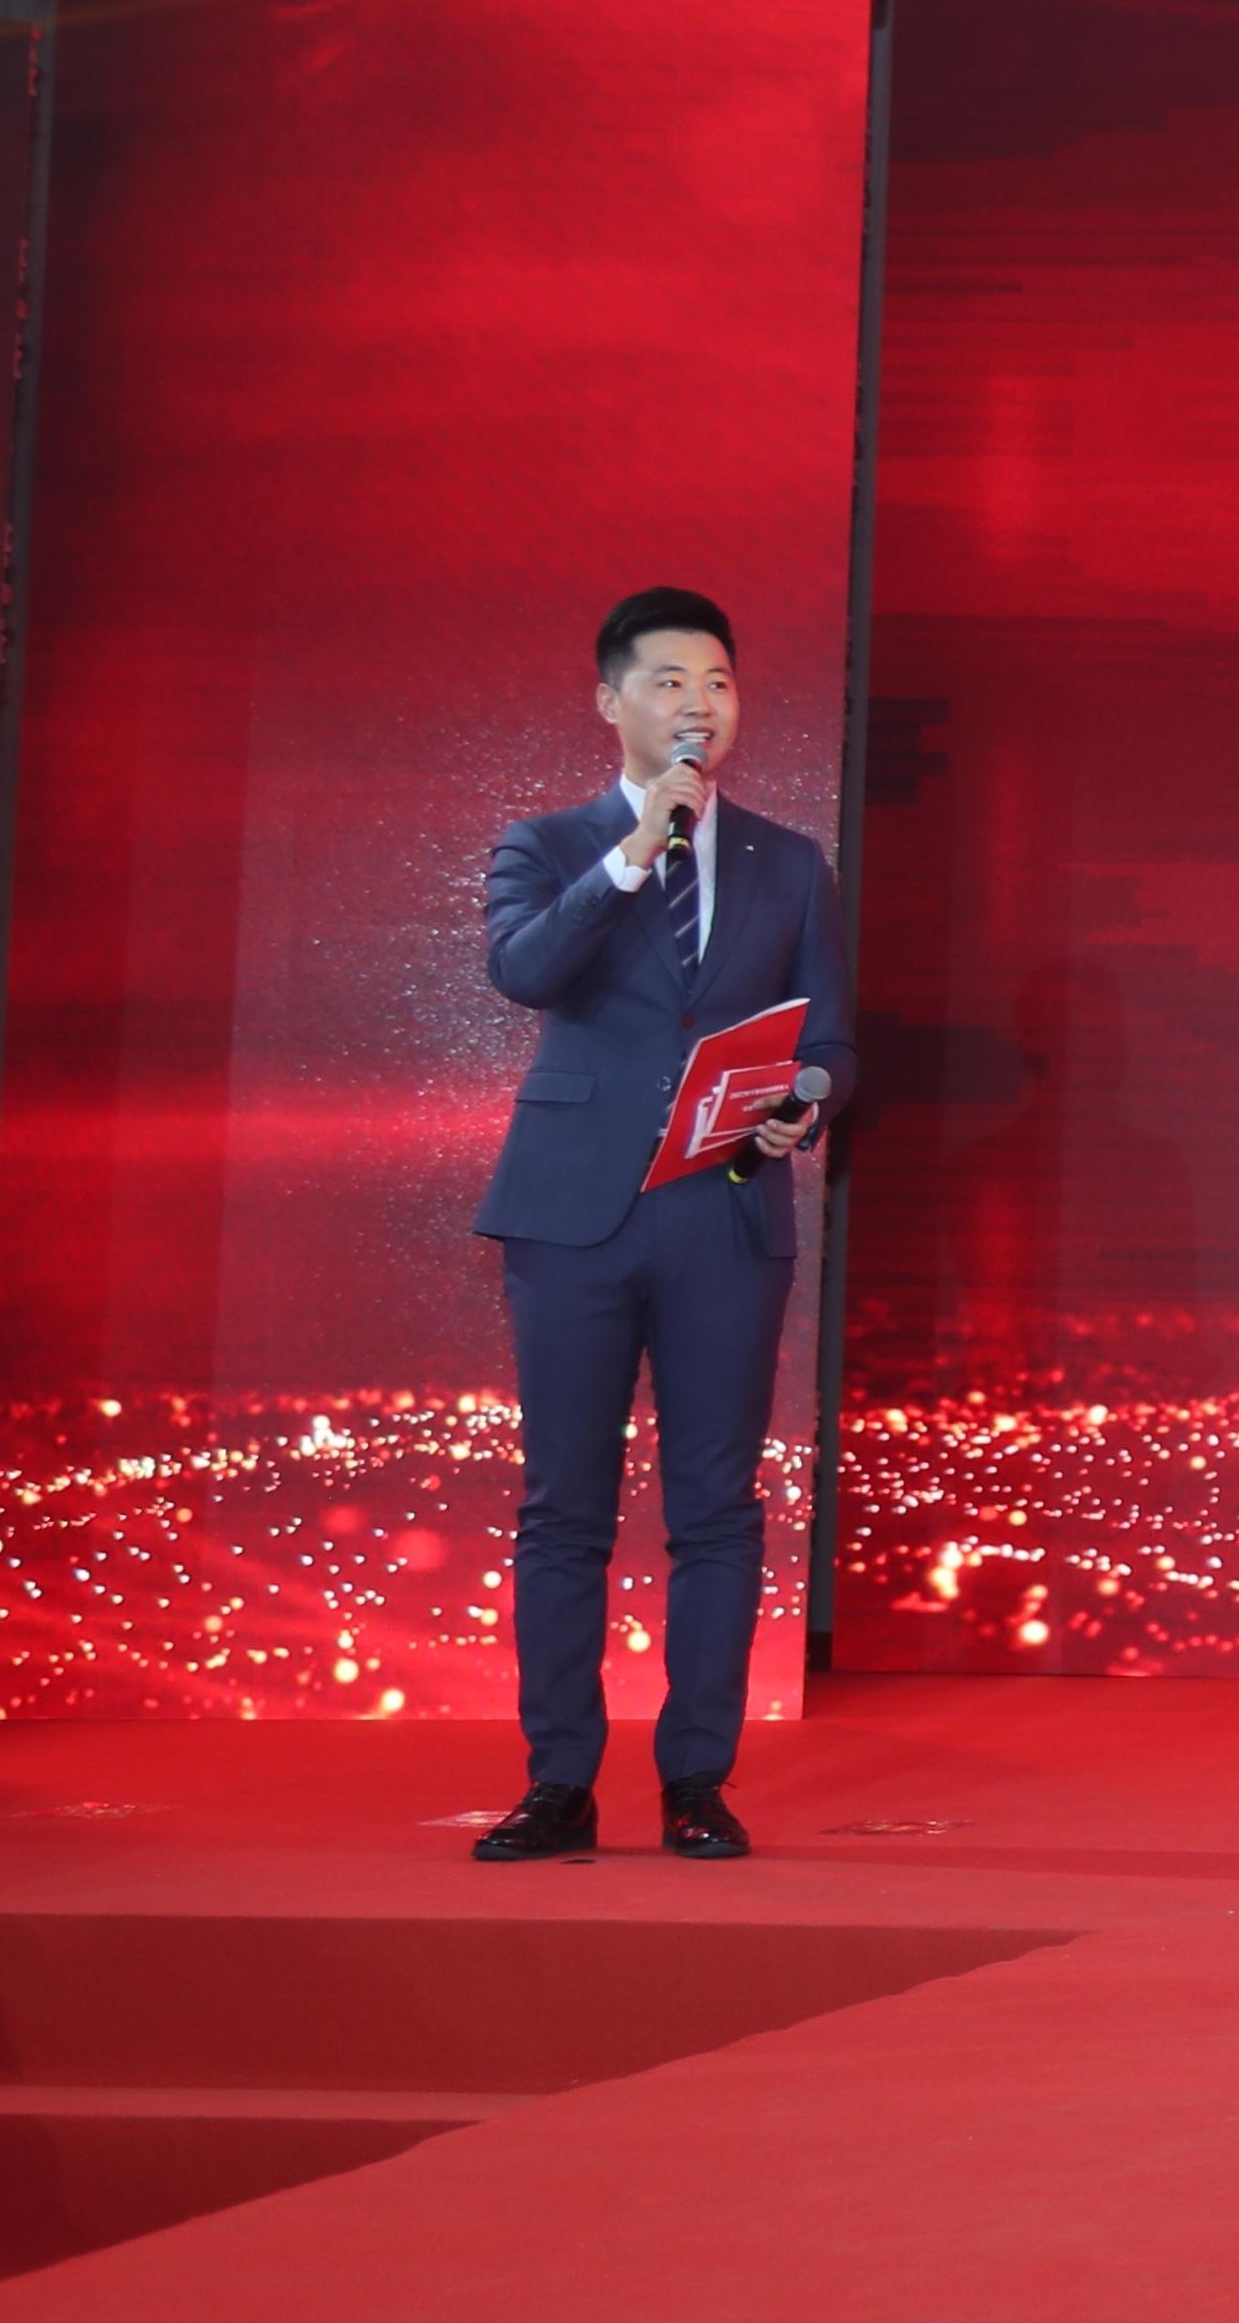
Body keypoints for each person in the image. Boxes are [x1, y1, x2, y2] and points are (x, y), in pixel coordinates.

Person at [466, 589, 853, 1865]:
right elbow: (525, 970)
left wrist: (802, 1100)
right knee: (564, 1505)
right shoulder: (545, 843)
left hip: (724, 1211)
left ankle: (696, 1777)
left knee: (717, 1507)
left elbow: (830, 1038)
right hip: (571, 1217)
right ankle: (558, 1782)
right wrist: (635, 850)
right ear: (612, 700)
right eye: (673, 680)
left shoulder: (789, 861)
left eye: (720, 681)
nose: (701, 703)